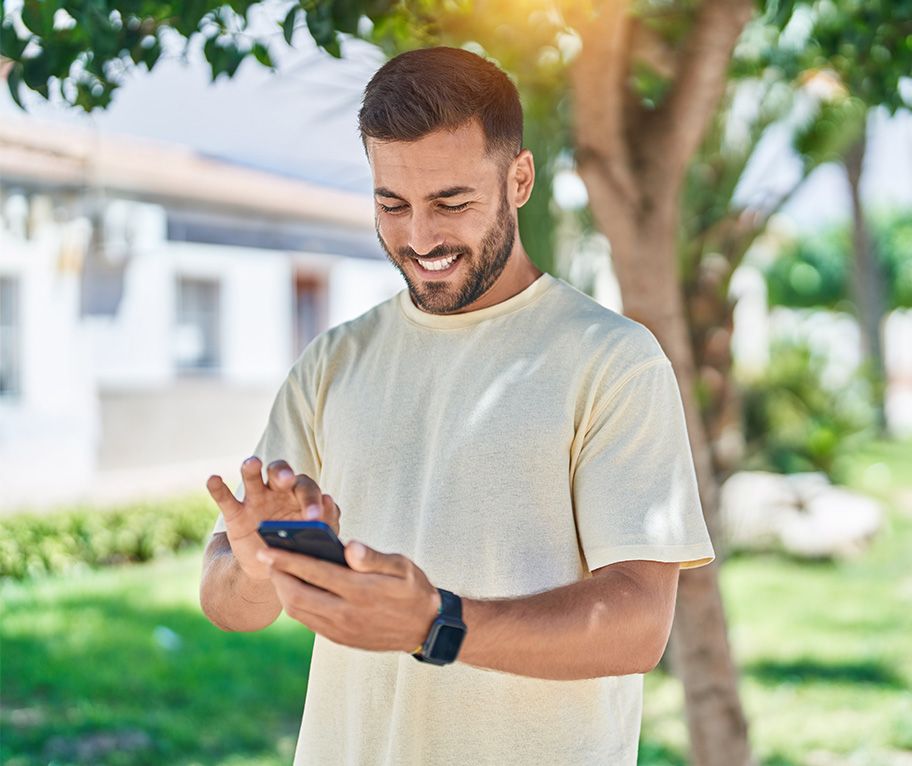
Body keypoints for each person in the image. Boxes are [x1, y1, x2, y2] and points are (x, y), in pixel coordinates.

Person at [200, 46, 714, 765]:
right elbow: (228, 606)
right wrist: (255, 566)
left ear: (520, 179)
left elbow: (638, 625)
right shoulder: (333, 362)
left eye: (452, 202)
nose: (419, 238)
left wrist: (438, 623)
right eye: (392, 204)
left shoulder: (613, 361)